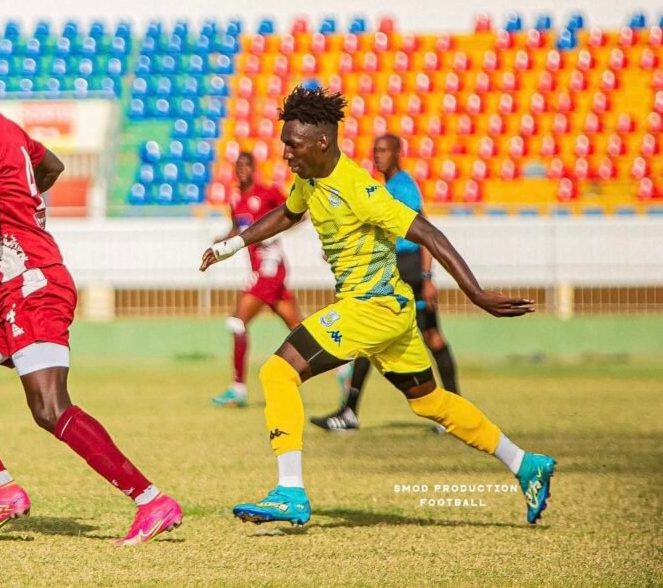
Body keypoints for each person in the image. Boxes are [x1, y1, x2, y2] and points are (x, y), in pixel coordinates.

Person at [200, 85, 556, 527]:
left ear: (321, 142)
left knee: (277, 372)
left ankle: (290, 491)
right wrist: (233, 244)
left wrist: (475, 292)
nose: (286, 152)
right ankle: (526, 464)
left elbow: (427, 232)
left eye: (292, 144)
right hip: (390, 312)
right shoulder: (310, 179)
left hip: (372, 308)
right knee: (430, 403)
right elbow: (290, 213)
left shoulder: (359, 189)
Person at [0, 41, 181, 546]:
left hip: (35, 287)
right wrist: (31, 207)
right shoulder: (8, 130)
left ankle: (150, 500)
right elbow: (51, 168)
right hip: (10, 295)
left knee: (49, 407)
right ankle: (1, 491)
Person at [311, 134, 459, 433]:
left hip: (411, 269)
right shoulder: (381, 188)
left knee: (433, 338)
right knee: (370, 344)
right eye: (374, 151)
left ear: (397, 153)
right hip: (393, 268)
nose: (377, 156)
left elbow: (424, 230)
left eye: (383, 151)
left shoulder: (403, 187)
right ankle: (349, 412)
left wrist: (428, 277)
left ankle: (453, 410)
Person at [212, 151, 302, 408]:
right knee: (298, 327)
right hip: (262, 271)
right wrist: (221, 242)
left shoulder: (268, 193)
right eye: (238, 165)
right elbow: (236, 228)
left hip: (270, 267)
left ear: (254, 169)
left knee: (237, 322)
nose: (241, 170)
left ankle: (238, 389)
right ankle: (342, 371)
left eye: (246, 165)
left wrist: (274, 234)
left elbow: (298, 213)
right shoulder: (235, 199)